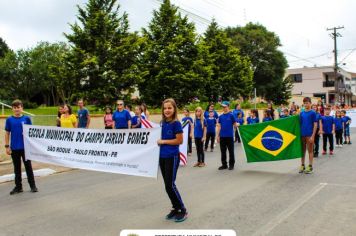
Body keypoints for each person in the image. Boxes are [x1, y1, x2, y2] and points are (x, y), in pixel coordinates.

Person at [157, 98, 187, 222]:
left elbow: (179, 141)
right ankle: (175, 207)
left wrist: (163, 141)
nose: (167, 110)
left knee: (170, 185)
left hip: (172, 157)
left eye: (169, 108)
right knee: (167, 186)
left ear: (174, 109)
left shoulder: (176, 123)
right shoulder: (162, 123)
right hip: (162, 157)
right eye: (165, 108)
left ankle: (182, 209)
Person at [5, 99, 38, 195]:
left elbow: (31, 132)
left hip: (26, 148)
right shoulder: (9, 120)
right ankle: (18, 187)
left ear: (22, 108)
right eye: (14, 108)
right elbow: (7, 133)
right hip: (14, 148)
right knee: (17, 168)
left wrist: (32, 145)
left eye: (18, 107)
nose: (16, 109)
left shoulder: (26, 119)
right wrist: (7, 146)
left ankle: (33, 186)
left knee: (28, 167)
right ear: (12, 109)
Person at [217, 101, 237, 170]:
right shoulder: (220, 117)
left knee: (231, 151)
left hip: (229, 137)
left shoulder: (231, 115)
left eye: (225, 107)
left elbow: (235, 125)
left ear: (228, 107)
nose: (223, 108)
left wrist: (238, 126)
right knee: (223, 152)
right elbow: (219, 126)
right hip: (222, 137)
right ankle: (224, 164)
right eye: (223, 107)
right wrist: (218, 136)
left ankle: (231, 165)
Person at [299, 97, 317, 174]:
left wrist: (313, 136)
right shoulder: (301, 113)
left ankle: (310, 166)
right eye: (304, 103)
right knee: (302, 151)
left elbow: (315, 125)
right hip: (302, 134)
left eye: (307, 103)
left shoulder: (313, 112)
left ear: (310, 103)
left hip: (309, 135)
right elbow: (299, 123)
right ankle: (302, 165)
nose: (306, 104)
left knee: (310, 151)